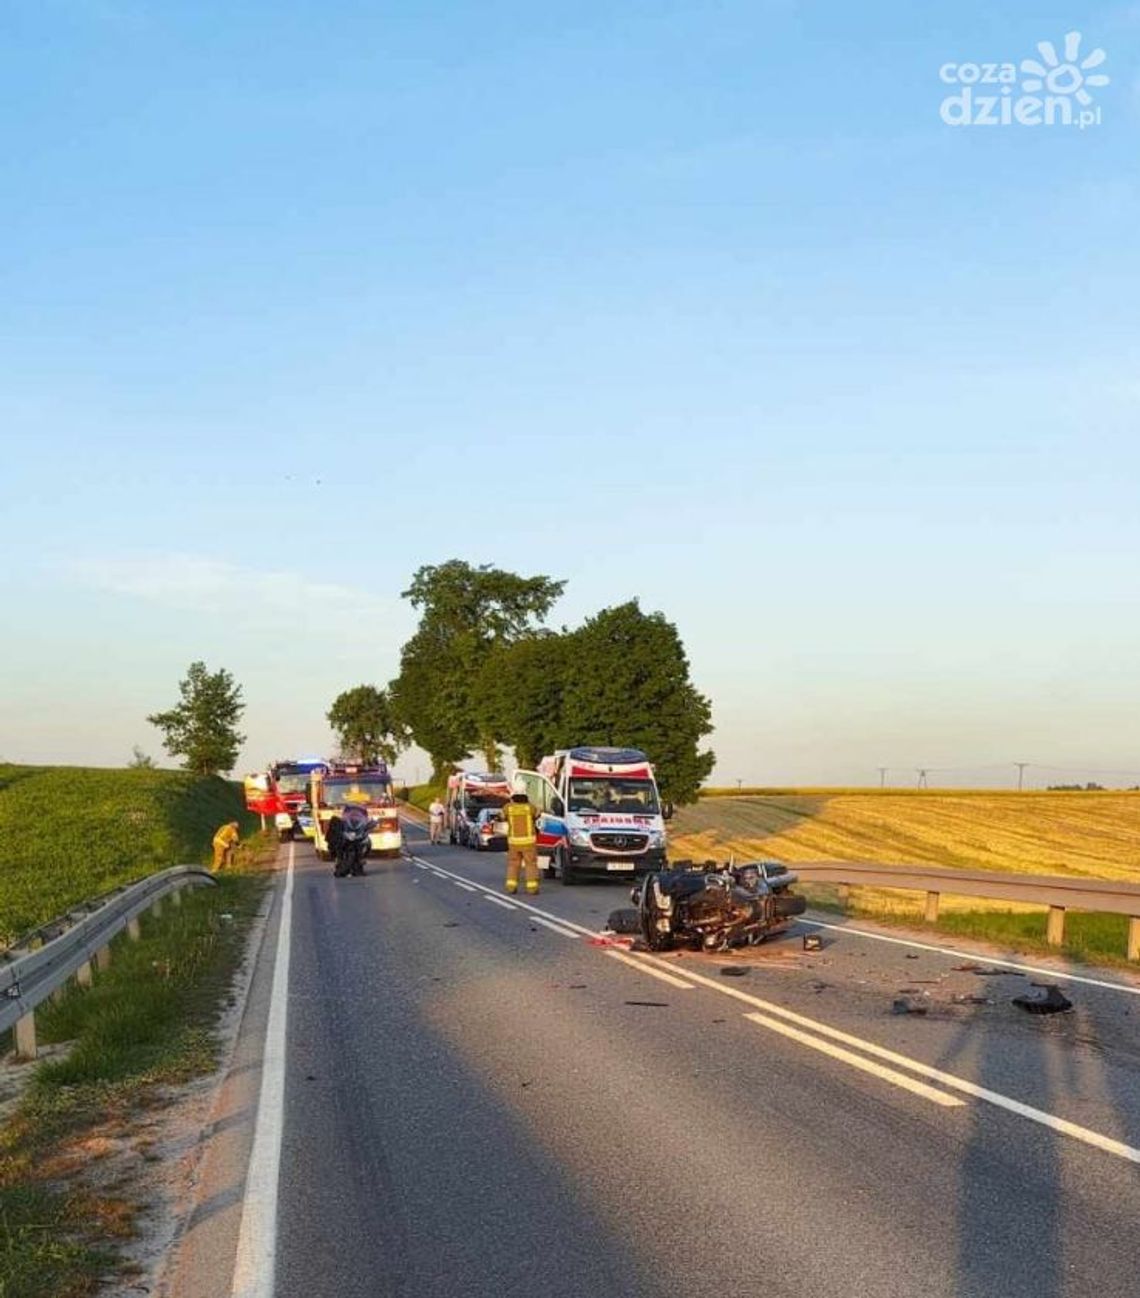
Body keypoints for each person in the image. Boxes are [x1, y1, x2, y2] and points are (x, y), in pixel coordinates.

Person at [504, 791, 540, 896]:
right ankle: (532, 888)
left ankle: (511, 887)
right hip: (529, 842)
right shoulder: (530, 808)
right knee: (530, 865)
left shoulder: (508, 808)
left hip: (513, 842)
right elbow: (538, 814)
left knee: (513, 864)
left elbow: (500, 817)